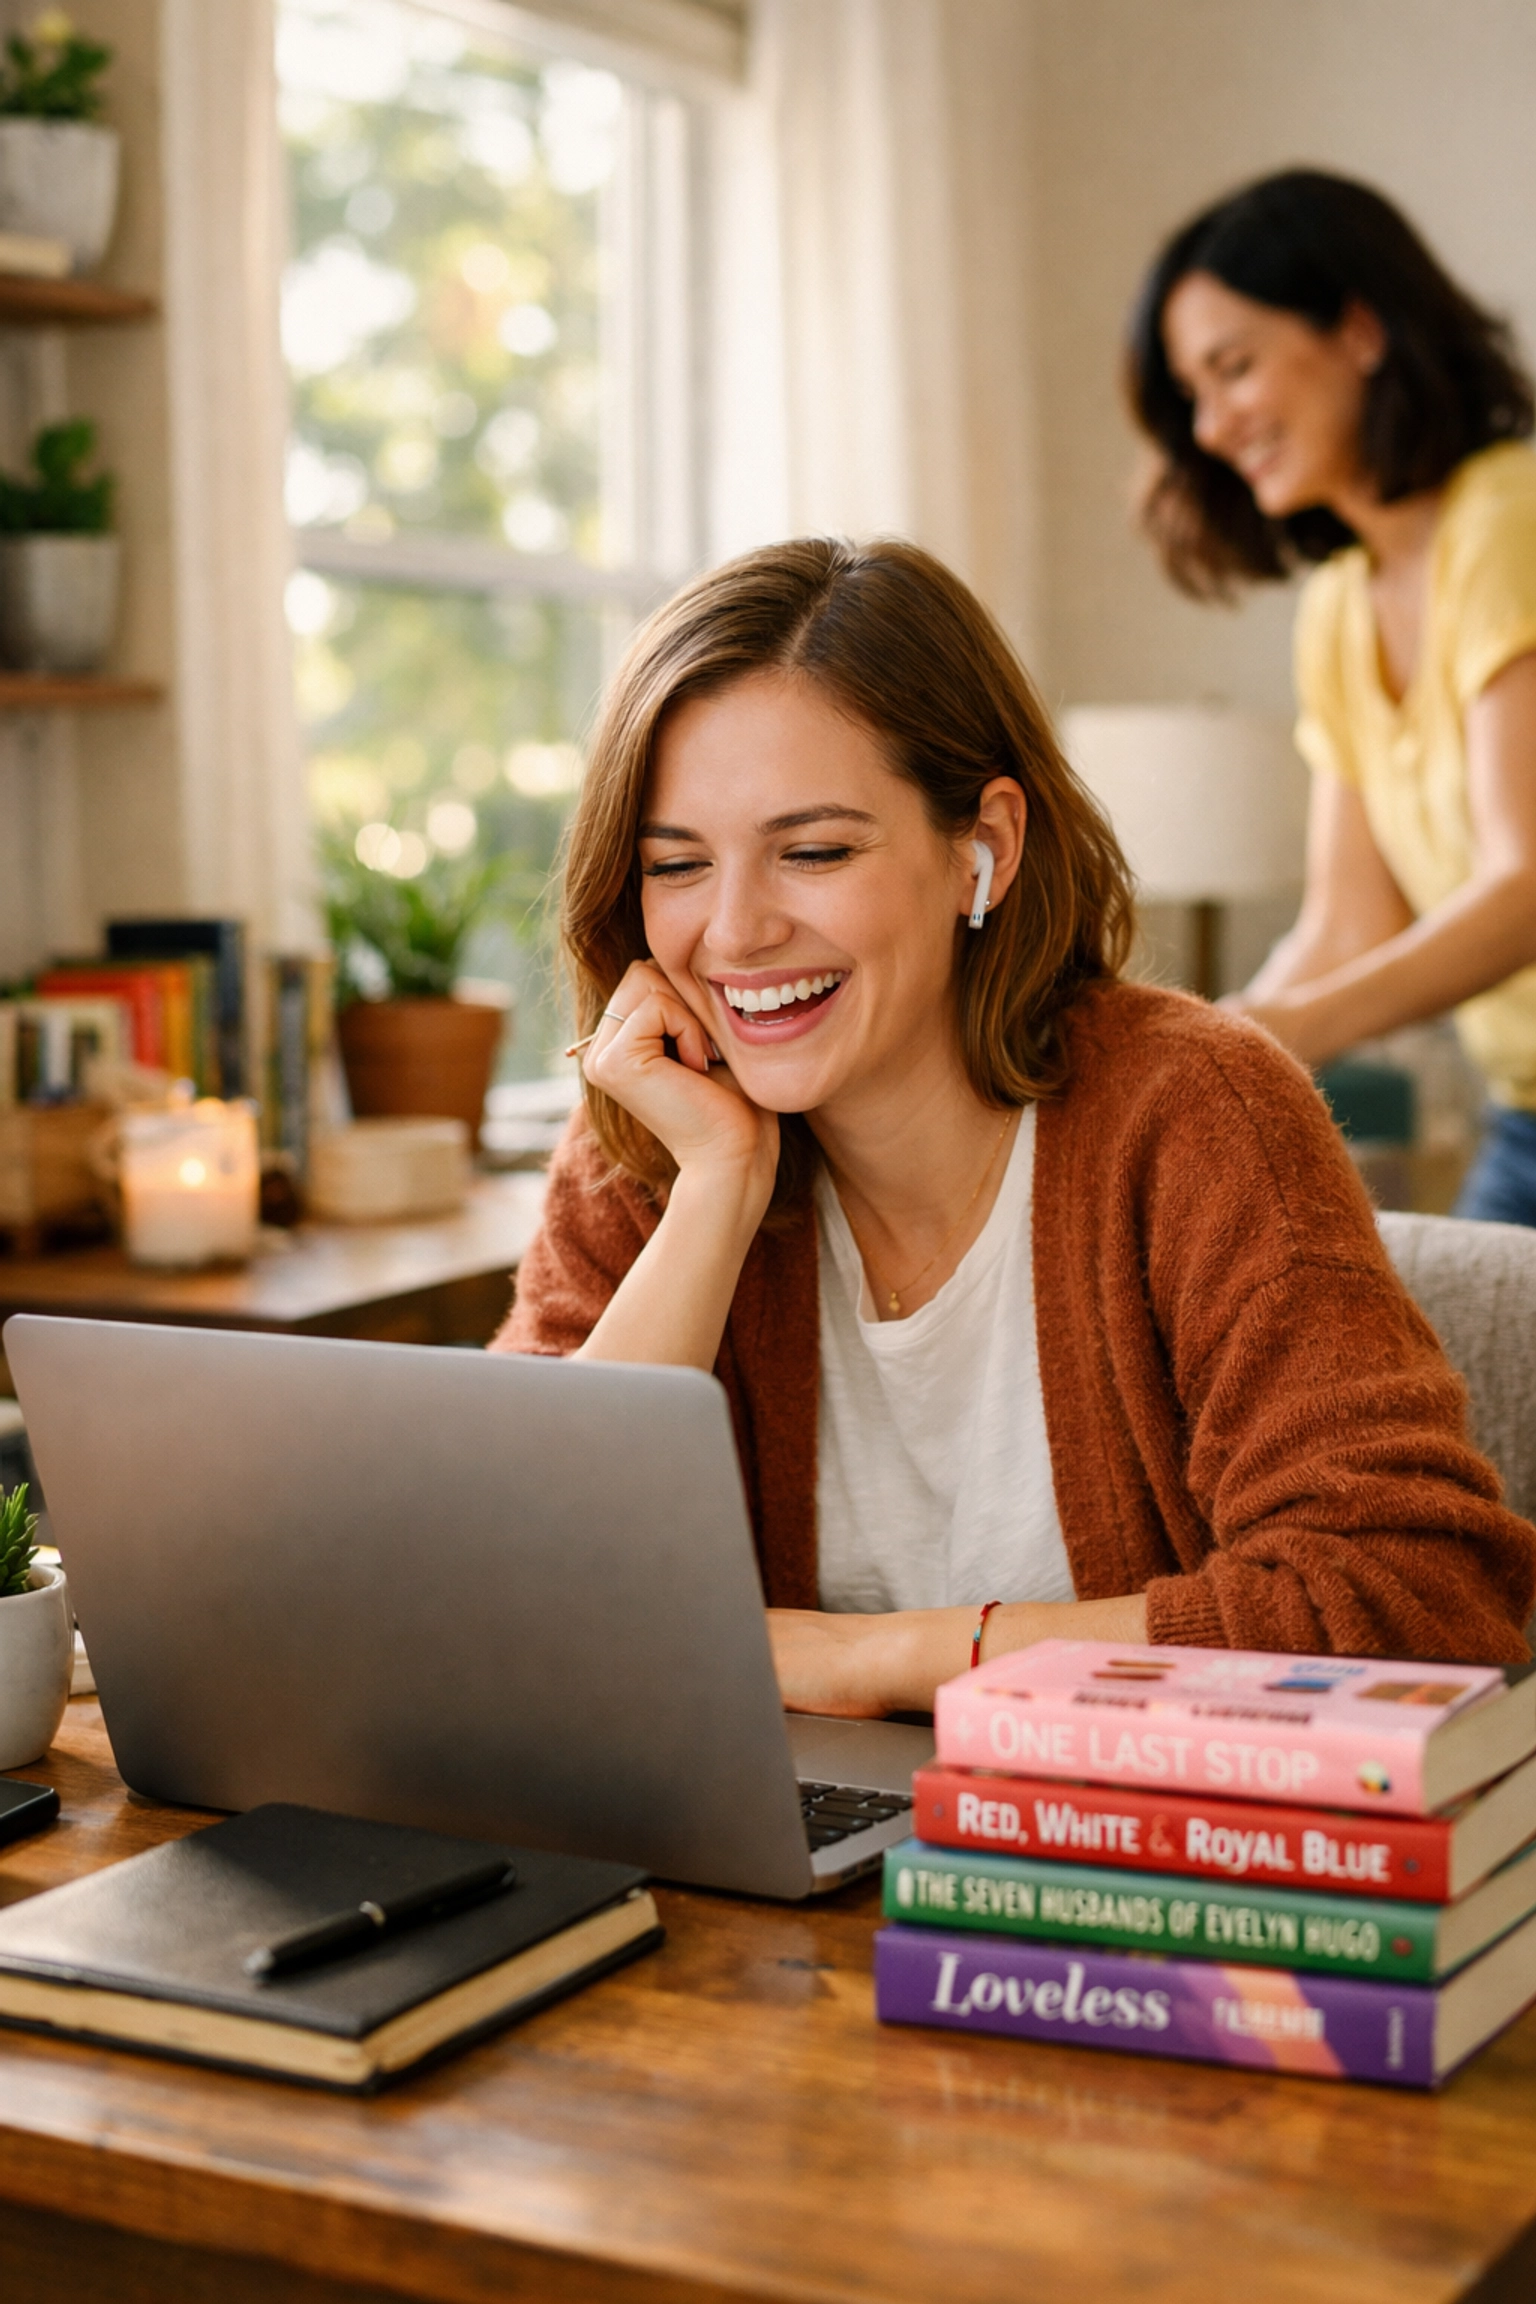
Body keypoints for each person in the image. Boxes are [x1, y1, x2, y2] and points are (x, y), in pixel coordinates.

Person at [493, 537, 1535, 1712]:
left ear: (982, 847)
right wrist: (720, 1189)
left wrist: (874, 1657)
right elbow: (519, 1599)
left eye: (815, 851)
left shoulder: (1195, 1113)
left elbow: (1414, 1599)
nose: (732, 933)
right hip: (763, 1882)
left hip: (1122, 1868)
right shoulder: (655, 1143)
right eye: (676, 865)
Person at [1126, 168, 1536, 1226]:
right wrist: (1210, 1037)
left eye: (1235, 368)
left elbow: (1525, 881)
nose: (1212, 425)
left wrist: (1284, 1028)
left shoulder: (1507, 518)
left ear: (1359, 329)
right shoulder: (1342, 605)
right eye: (1193, 395)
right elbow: (1349, 916)